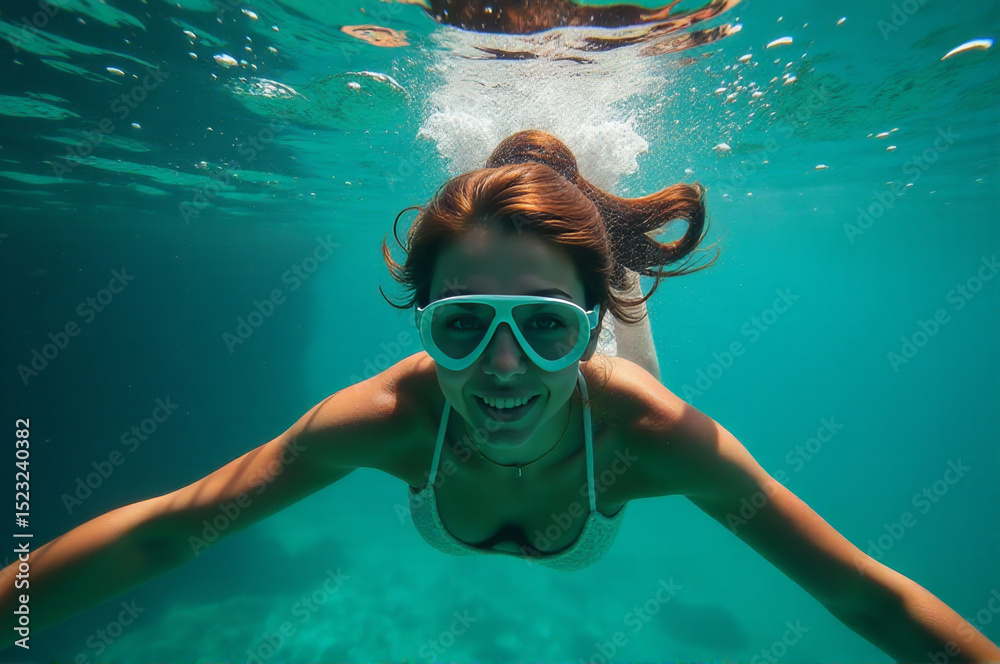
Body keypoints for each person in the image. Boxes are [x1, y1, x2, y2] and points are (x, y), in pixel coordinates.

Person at [2, 131, 998, 661]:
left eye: (548, 328)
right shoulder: (386, 418)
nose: (506, 370)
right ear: (422, 323)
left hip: (614, 391)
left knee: (617, 317)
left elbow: (864, 593)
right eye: (463, 325)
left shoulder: (657, 437)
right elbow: (169, 533)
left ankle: (598, 267)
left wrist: (576, 318)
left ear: (583, 331)